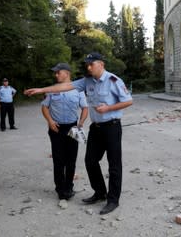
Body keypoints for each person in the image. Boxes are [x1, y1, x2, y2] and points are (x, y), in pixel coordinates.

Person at [24, 52, 132, 214]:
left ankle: (113, 199)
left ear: (101, 64)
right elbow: (65, 86)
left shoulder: (113, 80)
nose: (88, 67)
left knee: (114, 164)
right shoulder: (86, 81)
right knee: (90, 161)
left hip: (112, 127)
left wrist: (108, 108)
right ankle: (100, 192)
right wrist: (41, 90)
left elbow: (128, 101)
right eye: (86, 65)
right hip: (96, 128)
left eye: (91, 64)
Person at [41, 63, 88, 200]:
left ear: (67, 73)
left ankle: (69, 187)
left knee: (71, 160)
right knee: (58, 160)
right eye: (55, 73)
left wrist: (81, 122)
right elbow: (44, 107)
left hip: (73, 127)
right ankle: (60, 189)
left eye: (58, 72)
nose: (55, 75)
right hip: (56, 128)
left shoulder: (78, 90)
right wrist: (50, 121)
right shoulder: (52, 89)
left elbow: (85, 108)